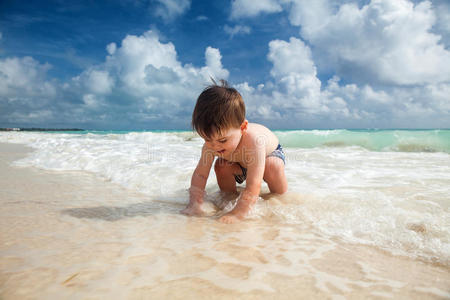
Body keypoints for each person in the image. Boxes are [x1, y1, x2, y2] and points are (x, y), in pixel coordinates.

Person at [181, 80, 287, 223]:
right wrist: (194, 203)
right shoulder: (211, 146)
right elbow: (200, 174)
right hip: (238, 162)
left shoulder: (254, 141)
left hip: (268, 156)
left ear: (242, 127)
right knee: (221, 166)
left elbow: (254, 183)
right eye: (207, 139)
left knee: (272, 166)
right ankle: (229, 197)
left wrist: (240, 212)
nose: (215, 146)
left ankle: (279, 196)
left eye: (223, 140)